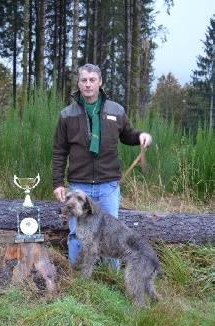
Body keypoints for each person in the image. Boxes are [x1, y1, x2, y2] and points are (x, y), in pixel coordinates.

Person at [52, 63, 152, 269]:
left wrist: (140, 136)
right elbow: (59, 151)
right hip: (79, 188)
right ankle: (78, 281)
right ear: (78, 83)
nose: (88, 84)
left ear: (100, 82)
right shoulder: (67, 115)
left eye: (92, 80)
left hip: (109, 184)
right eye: (83, 80)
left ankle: (110, 283)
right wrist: (58, 183)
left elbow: (127, 135)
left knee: (111, 235)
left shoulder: (116, 110)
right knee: (76, 234)